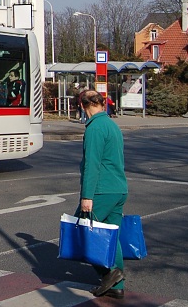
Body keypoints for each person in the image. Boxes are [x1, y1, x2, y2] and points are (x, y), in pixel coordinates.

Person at [77, 89, 128, 299]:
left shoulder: (95, 128)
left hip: (102, 190)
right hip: (118, 188)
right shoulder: (111, 125)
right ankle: (117, 286)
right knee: (111, 235)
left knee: (82, 231)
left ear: (82, 106)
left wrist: (87, 196)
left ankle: (109, 273)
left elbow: (92, 165)